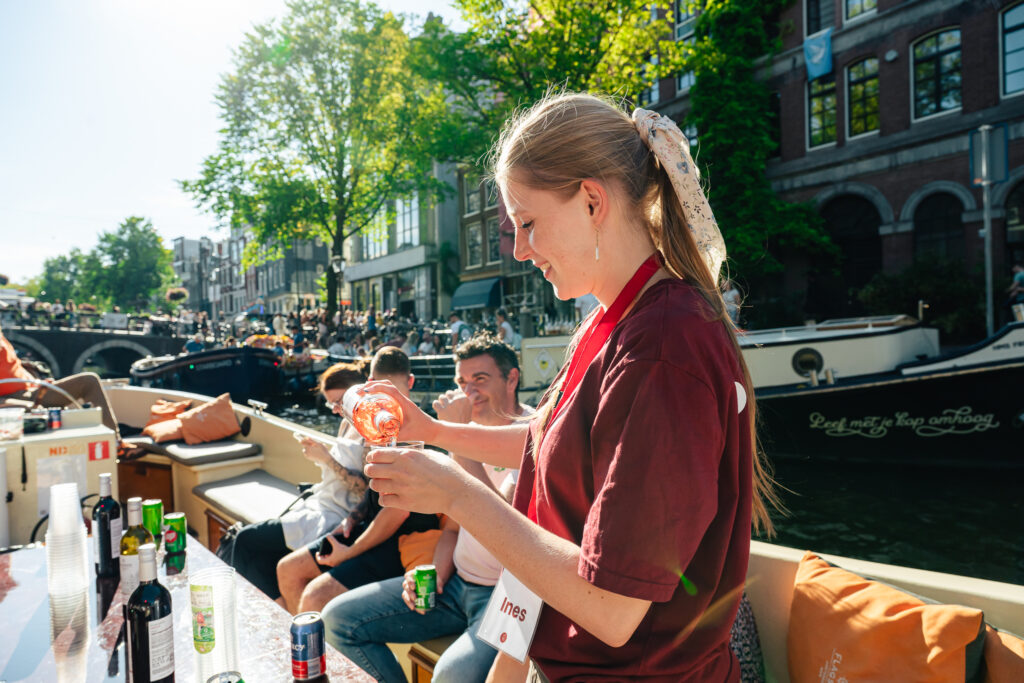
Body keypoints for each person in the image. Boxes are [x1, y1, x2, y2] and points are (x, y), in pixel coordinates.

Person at [357, 93, 777, 682]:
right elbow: (552, 444)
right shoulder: (614, 323)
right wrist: (429, 430)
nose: (519, 250)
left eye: (527, 224)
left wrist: (457, 494)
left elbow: (613, 609)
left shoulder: (663, 346)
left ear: (592, 200)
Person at [322, 335, 530, 682]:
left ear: (512, 379)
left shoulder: (531, 437)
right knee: (337, 620)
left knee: (450, 676)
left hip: (506, 597)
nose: (469, 392)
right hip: (457, 585)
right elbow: (454, 527)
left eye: (480, 379)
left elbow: (507, 523)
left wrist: (455, 435)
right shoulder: (464, 433)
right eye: (462, 382)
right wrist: (435, 572)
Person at [276, 347, 439, 614]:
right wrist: (352, 518)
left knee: (315, 597)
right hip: (369, 524)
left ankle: (313, 638)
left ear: (371, 381)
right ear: (410, 381)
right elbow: (373, 490)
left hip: (398, 541)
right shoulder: (376, 427)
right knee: (287, 570)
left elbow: (397, 513)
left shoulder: (417, 437)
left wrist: (349, 553)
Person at [229, 361, 370, 603]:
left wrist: (327, 459)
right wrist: (320, 456)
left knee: (245, 540)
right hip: (320, 502)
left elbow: (365, 490)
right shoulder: (347, 422)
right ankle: (275, 611)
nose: (336, 410)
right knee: (260, 561)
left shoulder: (371, 431)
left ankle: (255, 609)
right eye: (332, 404)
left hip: (336, 514)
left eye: (340, 402)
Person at [0, 324, 119, 435]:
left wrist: (39, 382)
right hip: (7, 399)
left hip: (32, 391)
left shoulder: (2, 338)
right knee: (36, 411)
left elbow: (13, 367)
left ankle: (116, 441)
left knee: (89, 381)